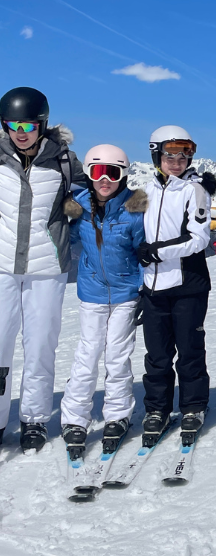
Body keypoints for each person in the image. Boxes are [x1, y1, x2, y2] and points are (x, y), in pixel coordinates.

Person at [0, 87, 85, 451]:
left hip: (48, 268)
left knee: (40, 346)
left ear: (42, 125)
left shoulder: (63, 161)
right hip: (1, 266)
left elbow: (88, 199)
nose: (20, 132)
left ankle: (33, 419)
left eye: (28, 125)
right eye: (12, 125)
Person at [60, 145, 146, 454]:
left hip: (125, 293)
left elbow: (143, 253)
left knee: (117, 356)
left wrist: (146, 291)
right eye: (98, 172)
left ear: (123, 176)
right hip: (92, 292)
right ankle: (74, 418)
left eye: (113, 172)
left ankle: (117, 415)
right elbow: (61, 239)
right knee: (88, 355)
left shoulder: (133, 210)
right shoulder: (79, 208)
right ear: (89, 175)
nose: (105, 179)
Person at [139, 126, 216, 447]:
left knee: (188, 351)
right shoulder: (144, 190)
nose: (177, 161)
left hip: (188, 284)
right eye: (170, 154)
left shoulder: (195, 190)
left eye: (184, 154)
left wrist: (156, 251)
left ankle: (193, 406)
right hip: (153, 288)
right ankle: (157, 409)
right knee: (156, 355)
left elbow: (199, 239)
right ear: (156, 154)